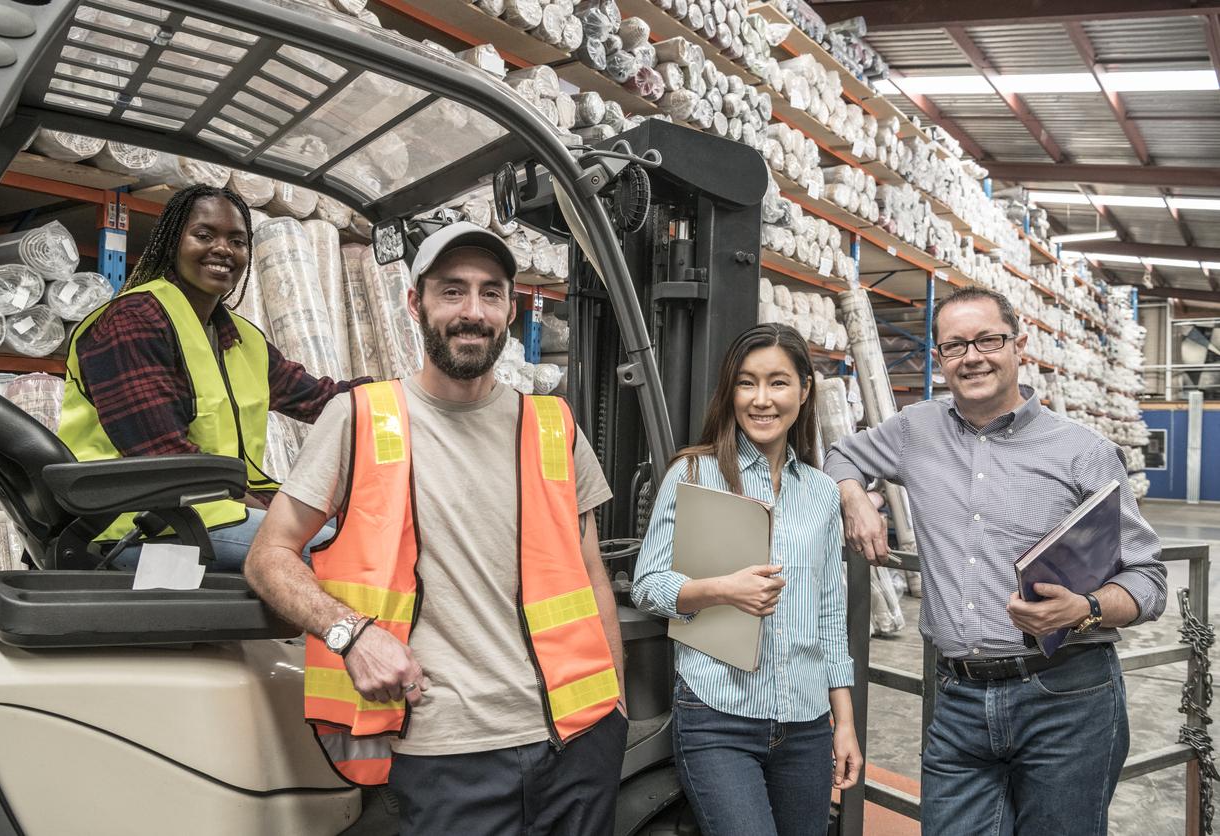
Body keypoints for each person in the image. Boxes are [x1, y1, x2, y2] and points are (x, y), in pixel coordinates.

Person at [243, 221, 627, 835]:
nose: (473, 311)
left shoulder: (554, 426)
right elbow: (268, 556)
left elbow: (591, 577)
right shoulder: (360, 418)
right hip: (444, 751)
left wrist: (617, 709)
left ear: (509, 308)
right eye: (452, 291)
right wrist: (352, 635)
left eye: (491, 292)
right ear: (414, 302)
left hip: (577, 741)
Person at [824, 286, 1166, 835]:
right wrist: (854, 495)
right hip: (958, 699)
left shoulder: (1084, 451)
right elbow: (840, 452)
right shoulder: (916, 430)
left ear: (1019, 345)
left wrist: (1086, 608)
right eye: (956, 346)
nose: (973, 356)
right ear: (940, 359)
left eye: (988, 340)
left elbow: (1148, 578)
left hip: (1067, 697)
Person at [58, 184, 365, 571]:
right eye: (204, 235)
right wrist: (277, 514)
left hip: (213, 511)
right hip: (144, 524)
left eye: (237, 241)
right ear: (173, 243)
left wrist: (403, 398)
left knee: (375, 528)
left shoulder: (241, 337)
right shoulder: (132, 321)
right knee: (354, 556)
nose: (223, 249)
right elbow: (163, 459)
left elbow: (319, 399)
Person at [632, 323, 862, 836]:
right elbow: (648, 584)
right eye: (746, 383)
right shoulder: (694, 474)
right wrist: (720, 590)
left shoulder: (822, 494)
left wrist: (842, 724)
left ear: (804, 392)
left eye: (778, 383)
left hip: (805, 723)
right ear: (729, 392)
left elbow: (829, 616)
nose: (762, 400)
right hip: (719, 716)